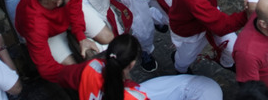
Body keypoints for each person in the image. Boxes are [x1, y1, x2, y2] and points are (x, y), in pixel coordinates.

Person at [15, 0, 100, 91]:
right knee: (72, 67)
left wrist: (80, 35)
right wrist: (81, 74)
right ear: (58, 2)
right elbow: (46, 67)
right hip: (48, 35)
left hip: (59, 21)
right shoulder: (34, 25)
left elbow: (75, 3)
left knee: (107, 37)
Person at [80, 34, 222, 100]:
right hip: (133, 94)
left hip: (131, 91)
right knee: (209, 88)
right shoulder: (133, 97)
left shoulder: (91, 69)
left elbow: (61, 75)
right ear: (132, 64)